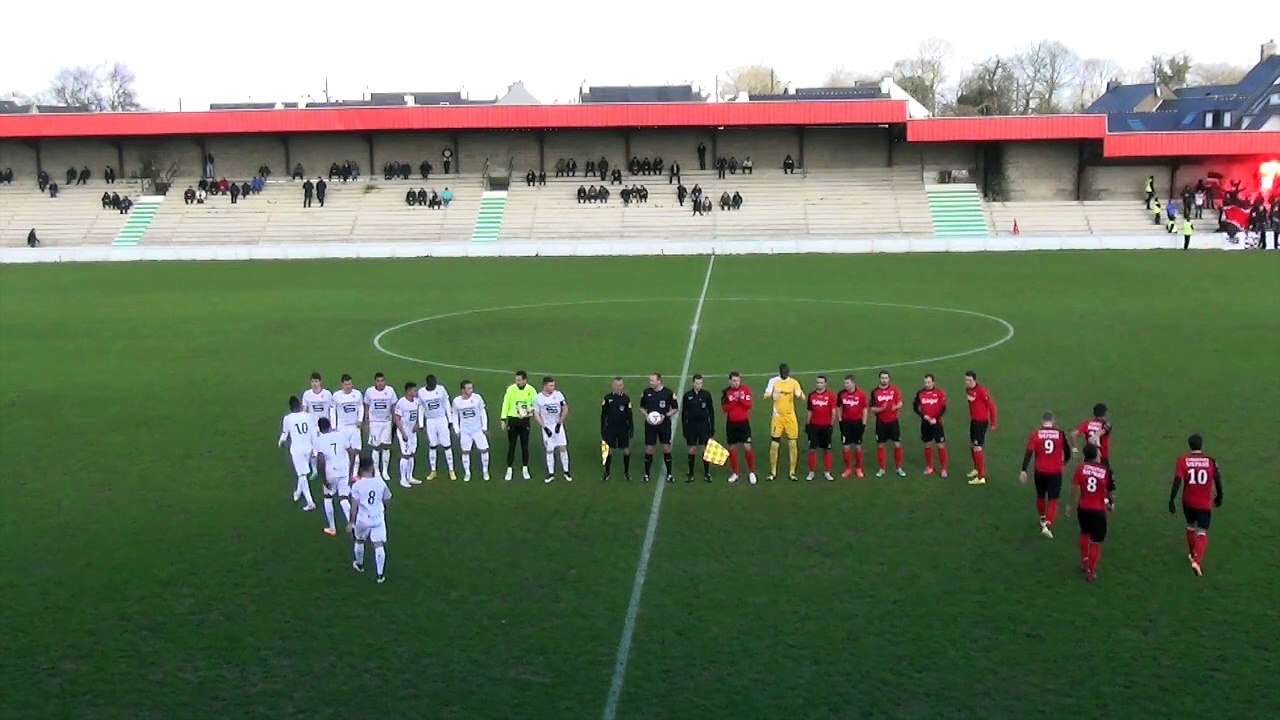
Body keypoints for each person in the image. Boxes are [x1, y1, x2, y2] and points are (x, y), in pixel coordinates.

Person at [1169, 433, 1223, 577]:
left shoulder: (1183, 460)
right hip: (1204, 503)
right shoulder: (1210, 461)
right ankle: (1197, 561)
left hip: (1188, 502)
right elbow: (1217, 480)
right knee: (1202, 532)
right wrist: (1220, 497)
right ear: (1201, 445)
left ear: (1189, 445)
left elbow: (1177, 481)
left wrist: (1171, 500)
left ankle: (1193, 554)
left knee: (1190, 526)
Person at [1019, 411, 1072, 539]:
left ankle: (1043, 518)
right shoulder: (1060, 434)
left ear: (1042, 421)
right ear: (1053, 421)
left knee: (1041, 496)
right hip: (1055, 472)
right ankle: (1047, 525)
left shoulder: (1036, 434)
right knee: (1053, 499)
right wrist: (1063, 463)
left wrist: (1023, 470)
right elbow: (1068, 452)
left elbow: (1029, 452)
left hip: (1040, 471)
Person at [1065, 444, 1114, 583]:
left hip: (1083, 508)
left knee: (1084, 533)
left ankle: (1084, 562)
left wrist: (1069, 505)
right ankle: (1091, 572)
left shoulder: (1081, 469)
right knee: (1096, 542)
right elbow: (1110, 491)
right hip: (1098, 510)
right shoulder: (1105, 471)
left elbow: (1074, 488)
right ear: (1095, 455)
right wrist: (1111, 503)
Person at [349, 455, 391, 584]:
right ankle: (380, 575)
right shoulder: (380, 482)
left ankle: (360, 565)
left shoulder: (357, 485)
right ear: (372, 467)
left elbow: (354, 506)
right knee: (378, 545)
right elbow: (388, 499)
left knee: (359, 540)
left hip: (363, 519)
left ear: (360, 469)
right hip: (377, 518)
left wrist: (351, 522)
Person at [764, 363, 804, 482]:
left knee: (792, 444)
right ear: (780, 372)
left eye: (786, 373)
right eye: (783, 373)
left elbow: (802, 396)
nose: (785, 375)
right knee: (774, 444)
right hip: (778, 417)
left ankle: (792, 472)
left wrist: (799, 394)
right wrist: (771, 395)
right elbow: (765, 395)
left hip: (790, 417)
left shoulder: (794, 382)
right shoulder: (773, 381)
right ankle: (773, 472)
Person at [314, 417, 354, 537]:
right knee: (344, 498)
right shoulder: (340, 435)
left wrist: (323, 479)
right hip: (344, 470)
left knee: (328, 497)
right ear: (330, 425)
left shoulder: (319, 440)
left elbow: (320, 461)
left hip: (330, 472)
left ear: (320, 429)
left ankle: (332, 528)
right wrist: (351, 470)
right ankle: (352, 525)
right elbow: (351, 452)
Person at [277, 396, 318, 511]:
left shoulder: (288, 418)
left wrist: (280, 442)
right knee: (303, 471)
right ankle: (298, 493)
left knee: (302, 474)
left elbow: (285, 434)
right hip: (308, 447)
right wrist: (315, 449)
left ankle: (310, 502)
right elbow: (313, 433)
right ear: (300, 405)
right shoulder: (308, 416)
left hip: (297, 449)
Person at [640, 373, 679, 483]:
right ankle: (646, 474)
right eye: (650, 381)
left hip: (664, 424)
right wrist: (647, 416)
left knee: (666, 447)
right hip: (650, 425)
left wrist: (665, 415)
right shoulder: (646, 393)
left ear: (659, 381)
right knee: (649, 448)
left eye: (652, 381)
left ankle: (670, 474)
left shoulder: (668, 393)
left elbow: (675, 408)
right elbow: (641, 408)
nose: (650, 382)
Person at [417, 374, 457, 481]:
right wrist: (421, 423)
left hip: (441, 419)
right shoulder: (421, 392)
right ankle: (433, 470)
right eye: (431, 384)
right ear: (428, 383)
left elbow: (446, 404)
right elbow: (421, 407)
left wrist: (450, 420)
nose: (434, 385)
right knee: (432, 445)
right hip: (430, 421)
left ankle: (451, 470)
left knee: (447, 445)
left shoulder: (441, 389)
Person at [721, 371, 758, 484]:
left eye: (738, 380)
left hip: (743, 423)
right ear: (730, 381)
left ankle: (751, 472)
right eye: (734, 381)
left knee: (747, 447)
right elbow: (724, 408)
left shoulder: (745, 390)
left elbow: (749, 405)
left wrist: (739, 399)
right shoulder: (726, 392)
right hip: (731, 423)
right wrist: (735, 401)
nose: (736, 383)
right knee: (732, 448)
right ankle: (735, 473)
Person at [500, 371, 537, 481]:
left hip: (524, 421)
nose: (517, 382)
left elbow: (535, 404)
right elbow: (506, 403)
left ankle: (525, 468)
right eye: (516, 380)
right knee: (512, 445)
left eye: (519, 380)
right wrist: (503, 419)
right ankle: (509, 469)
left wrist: (529, 410)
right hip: (513, 420)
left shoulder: (531, 390)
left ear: (525, 380)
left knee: (524, 446)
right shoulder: (511, 389)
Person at [534, 376, 571, 483]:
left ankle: (566, 471)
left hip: (557, 424)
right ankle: (551, 473)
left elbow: (565, 408)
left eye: (553, 385)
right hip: (547, 426)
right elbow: (536, 414)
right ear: (545, 385)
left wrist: (560, 423)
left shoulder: (558, 395)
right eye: (551, 385)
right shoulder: (538, 398)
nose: (553, 387)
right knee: (549, 450)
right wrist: (544, 427)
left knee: (563, 447)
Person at [963, 370, 997, 485]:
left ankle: (981, 477)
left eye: (969, 380)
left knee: (977, 447)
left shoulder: (981, 391)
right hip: (974, 421)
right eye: (966, 380)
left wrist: (993, 423)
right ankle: (976, 469)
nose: (967, 382)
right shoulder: (968, 390)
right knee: (972, 445)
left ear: (974, 380)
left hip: (981, 422)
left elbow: (991, 406)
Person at [452, 380, 490, 482]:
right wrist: (456, 429)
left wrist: (484, 427)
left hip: (477, 430)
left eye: (471, 388)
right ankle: (467, 473)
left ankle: (485, 471)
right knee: (465, 452)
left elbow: (483, 412)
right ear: (462, 390)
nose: (471, 390)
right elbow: (454, 415)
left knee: (484, 450)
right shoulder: (457, 401)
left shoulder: (477, 398)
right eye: (468, 388)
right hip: (465, 431)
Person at [363, 372, 398, 482]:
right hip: (374, 423)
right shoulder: (370, 392)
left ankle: (385, 471)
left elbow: (393, 407)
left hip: (386, 422)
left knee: (386, 446)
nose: (380, 383)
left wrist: (393, 422)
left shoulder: (390, 391)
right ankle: (377, 470)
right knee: (376, 447)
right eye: (378, 381)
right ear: (375, 382)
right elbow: (367, 408)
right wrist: (366, 422)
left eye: (382, 381)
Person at [870, 370, 906, 477]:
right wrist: (882, 408)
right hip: (881, 422)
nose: (884, 380)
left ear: (889, 379)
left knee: (897, 444)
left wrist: (895, 407)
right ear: (879, 379)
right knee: (881, 445)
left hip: (893, 421)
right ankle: (882, 469)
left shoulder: (894, 390)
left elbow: (900, 402)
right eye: (882, 378)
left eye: (886, 378)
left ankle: (899, 468)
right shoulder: (875, 392)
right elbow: (872, 408)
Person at [912, 373, 948, 478]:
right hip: (925, 423)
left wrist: (935, 419)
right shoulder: (920, 393)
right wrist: (924, 416)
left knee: (940, 445)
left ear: (933, 382)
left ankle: (944, 469)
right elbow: (915, 407)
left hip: (937, 423)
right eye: (925, 382)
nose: (926, 384)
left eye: (928, 382)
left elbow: (943, 408)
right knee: (927, 444)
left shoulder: (939, 393)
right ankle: (929, 467)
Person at [681, 374, 715, 483]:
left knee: (705, 449)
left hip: (704, 425)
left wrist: (712, 427)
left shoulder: (706, 395)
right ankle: (691, 473)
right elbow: (684, 413)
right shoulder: (687, 395)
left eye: (700, 383)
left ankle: (707, 473)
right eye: (696, 383)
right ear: (693, 383)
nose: (698, 385)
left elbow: (711, 412)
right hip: (691, 426)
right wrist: (684, 428)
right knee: (692, 448)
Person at [601, 377, 634, 482]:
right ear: (613, 386)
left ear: (623, 386)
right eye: (616, 385)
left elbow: (630, 415)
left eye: (620, 385)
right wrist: (603, 429)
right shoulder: (607, 398)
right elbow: (603, 415)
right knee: (608, 450)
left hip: (623, 428)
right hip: (610, 428)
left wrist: (631, 429)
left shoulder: (626, 399)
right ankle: (607, 472)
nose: (618, 387)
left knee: (626, 449)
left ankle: (626, 472)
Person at [332, 374, 365, 481]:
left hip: (354, 427)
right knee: (343, 451)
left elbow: (361, 407)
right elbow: (332, 411)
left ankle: (354, 474)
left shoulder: (357, 394)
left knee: (356, 451)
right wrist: (333, 426)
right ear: (342, 384)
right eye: (346, 384)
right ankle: (345, 473)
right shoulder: (336, 396)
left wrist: (360, 419)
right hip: (342, 427)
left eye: (350, 384)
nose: (348, 386)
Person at [805, 375, 837, 481]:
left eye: (821, 383)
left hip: (826, 426)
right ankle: (811, 472)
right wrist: (807, 424)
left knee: (827, 450)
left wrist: (831, 425)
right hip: (814, 426)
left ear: (825, 384)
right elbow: (810, 411)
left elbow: (833, 411)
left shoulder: (831, 396)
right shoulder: (811, 395)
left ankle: (827, 472)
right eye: (817, 382)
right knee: (812, 449)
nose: (819, 384)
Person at [837, 375, 869, 478]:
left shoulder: (861, 394)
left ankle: (859, 468)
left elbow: (864, 408)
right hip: (846, 423)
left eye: (847, 383)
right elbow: (838, 407)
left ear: (853, 383)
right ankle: (848, 468)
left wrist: (864, 423)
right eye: (845, 383)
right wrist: (840, 420)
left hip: (857, 423)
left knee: (858, 446)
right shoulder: (841, 394)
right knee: (846, 446)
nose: (845, 385)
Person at [393, 382, 422, 487]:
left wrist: (418, 424)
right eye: (414, 390)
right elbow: (397, 418)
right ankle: (402, 479)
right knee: (405, 455)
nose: (416, 392)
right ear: (408, 391)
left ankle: (410, 476)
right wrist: (403, 432)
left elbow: (419, 413)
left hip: (412, 432)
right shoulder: (402, 402)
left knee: (412, 454)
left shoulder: (416, 401)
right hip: (403, 432)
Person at [1072, 404, 1112, 470]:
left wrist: (1074, 450)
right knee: (1105, 478)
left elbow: (1073, 434)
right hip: (1102, 457)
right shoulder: (1105, 425)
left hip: (1089, 457)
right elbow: (1105, 429)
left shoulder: (1087, 424)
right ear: (1105, 414)